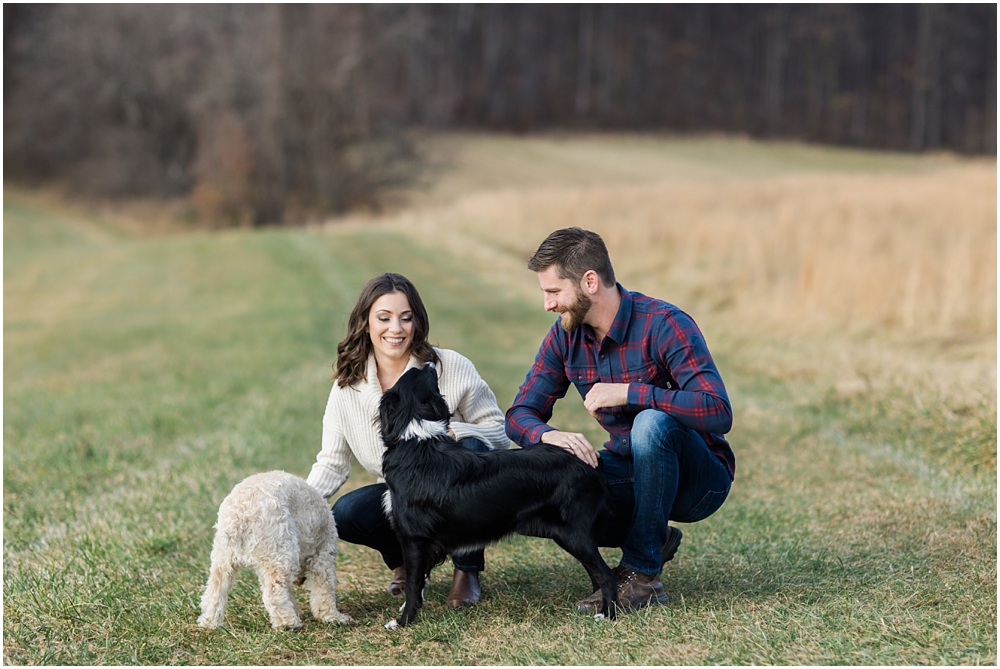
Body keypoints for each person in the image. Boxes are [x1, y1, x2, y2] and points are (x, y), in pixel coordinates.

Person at [505, 227, 735, 614]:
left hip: (699, 480)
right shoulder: (565, 337)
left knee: (651, 423)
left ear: (589, 282)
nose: (547, 304)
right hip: (629, 468)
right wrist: (549, 436)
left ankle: (642, 574)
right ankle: (653, 537)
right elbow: (519, 414)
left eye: (553, 291)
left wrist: (631, 392)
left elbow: (717, 410)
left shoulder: (664, 323)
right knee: (530, 491)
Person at [307, 272, 510, 607]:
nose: (396, 329)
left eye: (406, 318)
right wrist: (299, 505)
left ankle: (467, 571)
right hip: (402, 491)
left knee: (473, 451)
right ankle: (407, 563)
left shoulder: (450, 366)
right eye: (384, 318)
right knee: (345, 512)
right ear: (366, 323)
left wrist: (456, 432)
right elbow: (331, 461)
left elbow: (499, 432)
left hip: (456, 480)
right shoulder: (347, 386)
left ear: (417, 321)